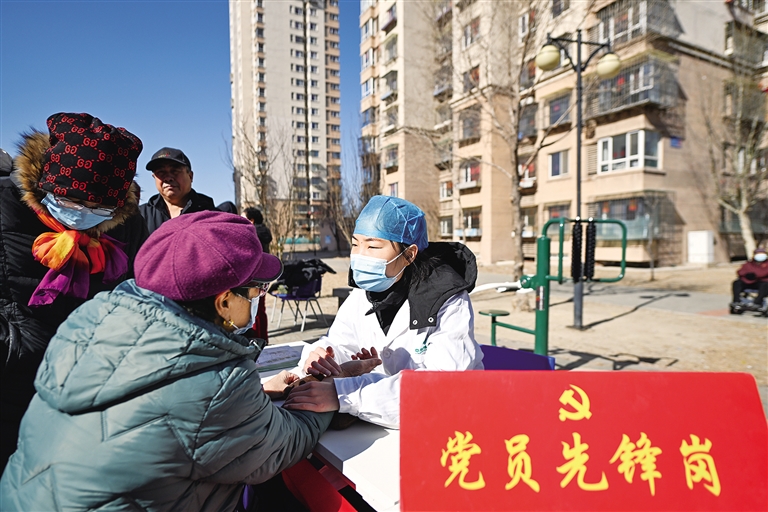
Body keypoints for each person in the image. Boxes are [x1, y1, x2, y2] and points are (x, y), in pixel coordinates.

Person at [0, 211, 334, 511]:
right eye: (255, 291)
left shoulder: (90, 322)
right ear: (223, 302)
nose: (258, 298)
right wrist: (323, 399)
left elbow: (151, 410)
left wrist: (255, 395)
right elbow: (276, 448)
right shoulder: (219, 381)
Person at [0, 112, 147, 472]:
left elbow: (139, 294)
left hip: (90, 386)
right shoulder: (6, 208)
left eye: (99, 208)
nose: (83, 214)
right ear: (45, 183)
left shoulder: (127, 223)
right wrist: (12, 343)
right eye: (71, 202)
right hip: (14, 378)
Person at [283, 195, 484, 428]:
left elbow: (443, 386)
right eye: (355, 244)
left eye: (373, 246)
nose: (360, 255)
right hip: (378, 425)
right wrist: (324, 357)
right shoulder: (363, 293)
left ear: (409, 254)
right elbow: (340, 342)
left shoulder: (448, 300)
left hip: (444, 428)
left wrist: (345, 395)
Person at [139, 147, 217, 234]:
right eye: (161, 172)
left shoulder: (210, 214)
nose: (168, 178)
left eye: (175, 171)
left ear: (190, 176)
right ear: (154, 177)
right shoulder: (141, 216)